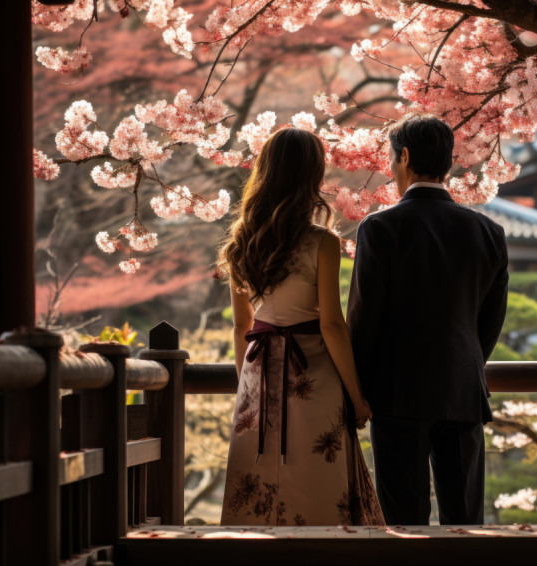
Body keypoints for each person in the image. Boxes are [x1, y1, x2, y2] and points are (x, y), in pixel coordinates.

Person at [347, 114, 509, 526]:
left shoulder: (380, 227)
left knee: (404, 521)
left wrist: (357, 390)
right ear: (448, 162)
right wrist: (466, 363)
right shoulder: (488, 232)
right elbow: (490, 323)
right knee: (465, 519)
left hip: (396, 391)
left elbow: (365, 320)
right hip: (463, 388)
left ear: (403, 156)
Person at [218, 127, 384, 526]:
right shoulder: (322, 242)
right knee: (317, 481)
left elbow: (243, 326)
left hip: (259, 374)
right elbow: (331, 323)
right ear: (312, 175)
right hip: (312, 372)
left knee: (259, 482)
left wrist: (249, 388)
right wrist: (357, 396)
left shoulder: (240, 241)